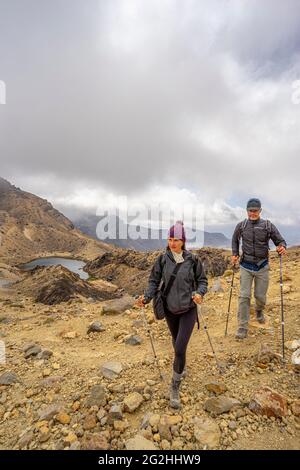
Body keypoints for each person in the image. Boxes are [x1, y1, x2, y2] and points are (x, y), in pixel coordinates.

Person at [136, 221, 208, 409]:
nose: (173, 243)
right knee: (176, 343)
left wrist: (200, 293)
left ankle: (174, 385)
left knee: (179, 347)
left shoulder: (193, 260)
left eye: (176, 239)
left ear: (183, 241)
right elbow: (153, 281)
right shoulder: (161, 260)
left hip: (188, 309)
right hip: (169, 309)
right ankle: (181, 367)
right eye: (169, 239)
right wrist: (146, 297)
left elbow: (202, 281)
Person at [232, 198, 287, 340]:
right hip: (245, 265)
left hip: (262, 266)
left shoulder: (268, 225)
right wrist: (234, 253)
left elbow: (280, 240)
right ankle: (242, 326)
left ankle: (259, 310)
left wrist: (282, 246)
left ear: (260, 211)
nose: (252, 213)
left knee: (260, 296)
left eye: (255, 210)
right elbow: (235, 240)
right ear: (247, 211)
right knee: (244, 296)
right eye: (250, 210)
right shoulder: (241, 225)